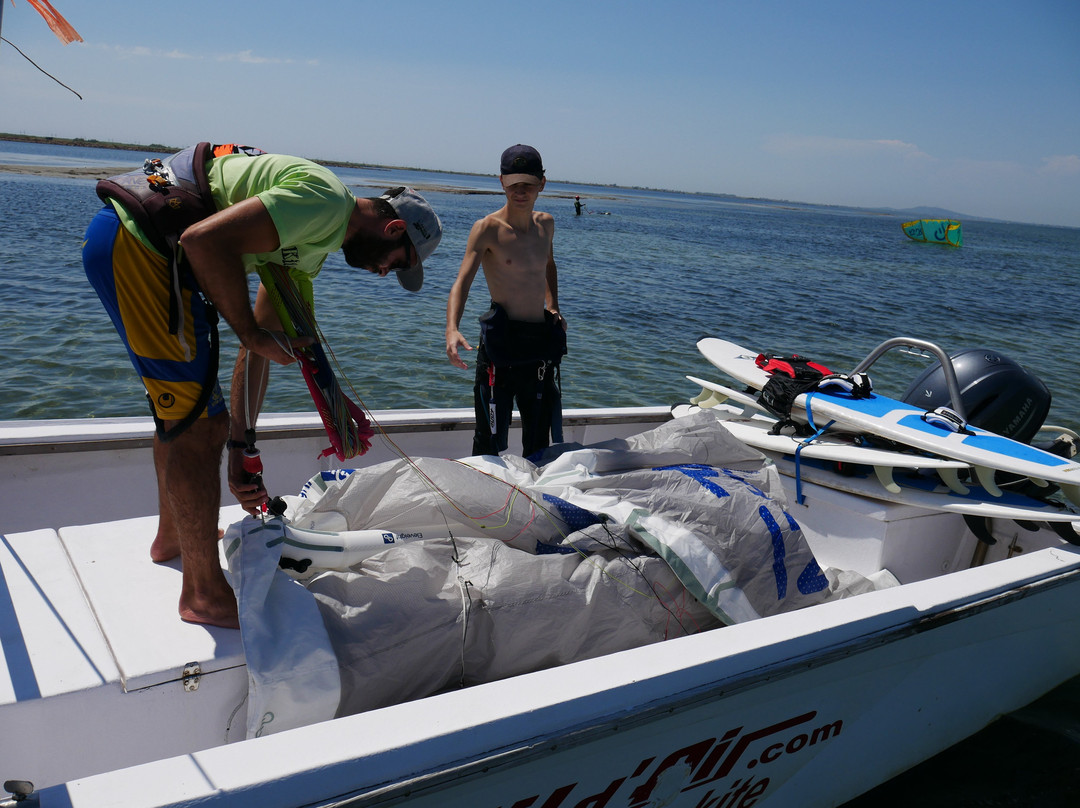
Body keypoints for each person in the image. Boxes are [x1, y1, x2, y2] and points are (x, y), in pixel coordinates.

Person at [82, 143, 442, 628]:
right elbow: (202, 242)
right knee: (196, 426)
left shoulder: (313, 241)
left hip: (136, 246)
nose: (384, 273)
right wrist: (247, 332)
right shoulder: (325, 203)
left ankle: (172, 537)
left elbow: (271, 345)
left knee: (185, 414)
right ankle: (204, 595)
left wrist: (255, 440)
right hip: (142, 249)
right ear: (393, 228)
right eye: (397, 263)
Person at [446, 144, 567, 458]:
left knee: (539, 440)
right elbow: (462, 281)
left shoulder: (547, 225)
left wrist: (553, 306)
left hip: (538, 342)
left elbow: (548, 265)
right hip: (500, 345)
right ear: (501, 182)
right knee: (488, 439)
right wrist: (452, 328)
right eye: (514, 185)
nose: (521, 191)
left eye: (528, 184)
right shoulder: (486, 229)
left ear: (542, 183)